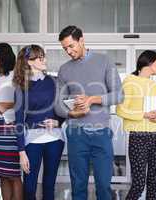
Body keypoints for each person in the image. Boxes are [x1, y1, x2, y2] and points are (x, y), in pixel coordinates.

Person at [55, 25, 124, 200]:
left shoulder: (104, 61)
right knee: (78, 185)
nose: (69, 51)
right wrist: (72, 114)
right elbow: (57, 105)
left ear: (81, 40)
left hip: (101, 134)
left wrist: (91, 99)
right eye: (65, 48)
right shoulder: (64, 70)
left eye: (71, 46)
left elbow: (118, 95)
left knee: (103, 185)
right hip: (76, 134)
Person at [13, 45, 65, 200]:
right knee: (29, 188)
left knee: (49, 187)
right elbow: (18, 120)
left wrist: (58, 122)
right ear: (29, 61)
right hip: (31, 140)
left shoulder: (54, 82)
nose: (44, 60)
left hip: (55, 139)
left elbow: (64, 110)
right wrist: (21, 152)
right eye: (40, 57)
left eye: (44, 56)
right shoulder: (20, 86)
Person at [116, 50, 156, 200]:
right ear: (149, 62)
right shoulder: (129, 82)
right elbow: (120, 109)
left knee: (154, 183)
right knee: (138, 184)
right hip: (139, 137)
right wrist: (144, 115)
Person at [0, 43, 22, 200]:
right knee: (2, 173)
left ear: (4, 57)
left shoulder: (16, 74)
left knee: (14, 173)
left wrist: (6, 105)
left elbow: (24, 101)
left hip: (13, 127)